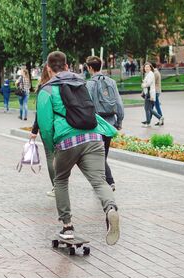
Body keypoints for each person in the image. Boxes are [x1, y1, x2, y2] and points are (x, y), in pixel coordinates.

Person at [29, 51, 120, 245]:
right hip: (94, 136)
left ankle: (67, 226)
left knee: (61, 180)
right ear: (67, 66)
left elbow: (45, 126)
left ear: (48, 68)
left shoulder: (46, 90)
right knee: (99, 181)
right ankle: (111, 209)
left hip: (68, 141)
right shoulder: (81, 83)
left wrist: (52, 149)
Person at [85, 55, 124, 191]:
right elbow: (119, 103)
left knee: (98, 156)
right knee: (103, 154)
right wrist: (119, 121)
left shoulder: (89, 84)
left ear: (90, 68)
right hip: (110, 122)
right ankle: (103, 183)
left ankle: (109, 181)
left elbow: (87, 106)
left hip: (97, 124)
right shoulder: (111, 82)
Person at [31, 65, 56, 197]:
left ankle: (56, 186)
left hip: (47, 127)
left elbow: (39, 112)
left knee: (51, 156)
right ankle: (61, 184)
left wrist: (34, 130)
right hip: (62, 126)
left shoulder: (43, 88)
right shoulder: (60, 85)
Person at [141, 63, 163, 127]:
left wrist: (143, 85)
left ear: (151, 67)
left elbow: (148, 84)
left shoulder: (151, 74)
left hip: (150, 93)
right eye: (145, 67)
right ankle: (150, 121)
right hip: (149, 93)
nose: (146, 68)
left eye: (148, 67)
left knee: (149, 108)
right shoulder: (148, 74)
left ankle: (158, 118)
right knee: (148, 108)